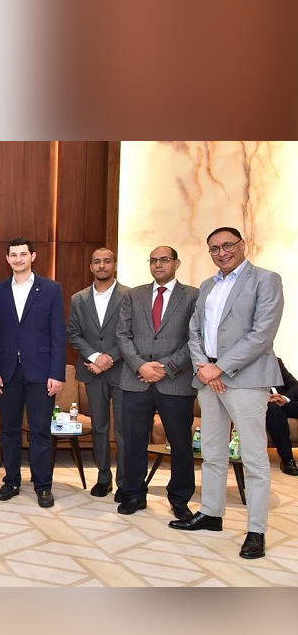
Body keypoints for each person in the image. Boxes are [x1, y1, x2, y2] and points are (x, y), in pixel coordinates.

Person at [172, 227, 285, 560]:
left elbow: (262, 334)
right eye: (214, 248)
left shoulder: (266, 279)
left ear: (242, 245)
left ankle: (256, 531)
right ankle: (211, 513)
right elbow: (194, 332)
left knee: (254, 460)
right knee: (212, 453)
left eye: (227, 245)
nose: (221, 252)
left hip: (246, 380)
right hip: (208, 379)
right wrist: (205, 367)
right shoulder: (207, 286)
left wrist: (221, 368)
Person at [115, 245, 199, 519]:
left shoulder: (193, 296)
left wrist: (166, 366)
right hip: (136, 380)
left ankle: (179, 499)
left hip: (175, 381)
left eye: (164, 260)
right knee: (133, 441)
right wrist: (140, 365)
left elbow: (195, 339)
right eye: (153, 260)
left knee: (180, 443)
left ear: (177, 263)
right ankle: (133, 494)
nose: (158, 265)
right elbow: (122, 336)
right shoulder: (133, 295)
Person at [0, 238, 66, 508]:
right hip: (7, 372)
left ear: (33, 256)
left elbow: (58, 333)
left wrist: (57, 373)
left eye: (23, 254)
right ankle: (11, 481)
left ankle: (43, 486)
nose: (18, 259)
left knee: (41, 431)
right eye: (13, 255)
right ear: (7, 259)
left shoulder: (51, 289)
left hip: (42, 373)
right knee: (9, 430)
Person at [67, 248, 129, 499]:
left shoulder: (130, 296)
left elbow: (132, 332)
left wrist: (109, 358)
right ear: (90, 267)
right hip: (93, 372)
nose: (102, 265)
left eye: (107, 261)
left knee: (125, 428)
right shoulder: (78, 299)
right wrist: (95, 358)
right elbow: (74, 334)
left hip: (123, 371)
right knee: (100, 427)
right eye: (96, 262)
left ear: (114, 264)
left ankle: (125, 482)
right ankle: (104, 477)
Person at [266, 358, 298, 476]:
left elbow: (295, 385)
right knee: (273, 409)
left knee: (276, 407)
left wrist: (284, 398)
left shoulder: (275, 361)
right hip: (264, 405)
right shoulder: (242, 363)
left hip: (282, 402)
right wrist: (266, 398)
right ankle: (287, 460)